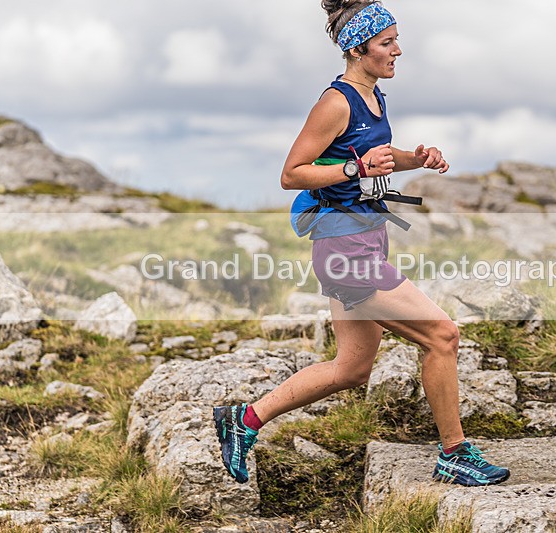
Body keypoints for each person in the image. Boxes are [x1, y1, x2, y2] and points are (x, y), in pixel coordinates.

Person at [214, 0, 510, 488]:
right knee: (442, 336)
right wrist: (354, 170)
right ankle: (455, 453)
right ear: (357, 48)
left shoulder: (374, 97)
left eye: (396, 39)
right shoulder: (335, 102)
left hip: (369, 238)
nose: (398, 50)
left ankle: (244, 420)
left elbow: (374, 154)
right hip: (344, 249)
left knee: (351, 367)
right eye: (387, 43)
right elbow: (293, 173)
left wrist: (416, 157)